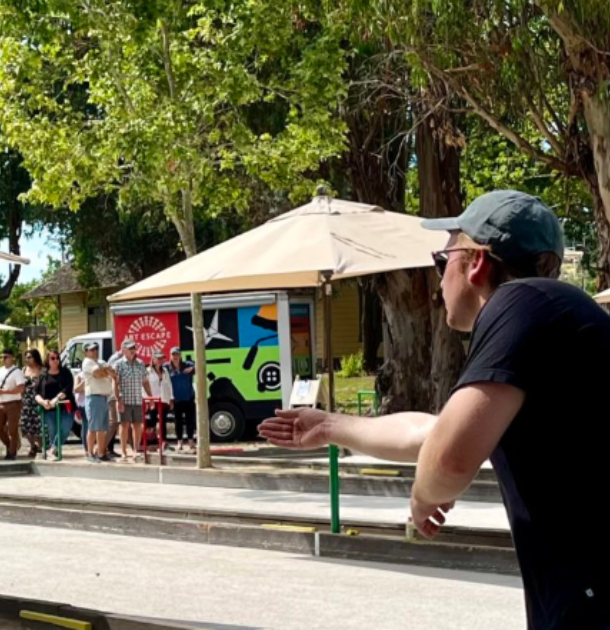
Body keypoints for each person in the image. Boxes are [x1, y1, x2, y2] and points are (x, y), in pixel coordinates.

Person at [259, 190, 606, 630]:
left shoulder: (521, 302)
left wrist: (424, 497)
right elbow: (434, 433)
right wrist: (329, 425)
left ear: (476, 262)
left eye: (442, 263)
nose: (438, 282)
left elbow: (448, 456)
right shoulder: (548, 320)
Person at [112, 340, 151, 461]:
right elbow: (115, 383)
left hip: (137, 399)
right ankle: (123, 451)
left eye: (134, 348)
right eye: (130, 348)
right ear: (123, 350)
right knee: (124, 425)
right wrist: (118, 399)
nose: (133, 350)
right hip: (125, 399)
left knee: (138, 425)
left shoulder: (140, 364)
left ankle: (135, 450)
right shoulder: (118, 364)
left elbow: (145, 382)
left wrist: (150, 396)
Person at [36, 349, 75, 459]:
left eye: (57, 358)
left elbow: (67, 389)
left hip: (65, 406)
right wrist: (43, 402)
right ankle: (55, 452)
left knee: (65, 428)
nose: (56, 360)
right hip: (49, 408)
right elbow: (37, 393)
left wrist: (56, 399)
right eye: (53, 358)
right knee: (53, 431)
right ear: (47, 360)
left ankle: (52, 449)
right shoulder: (43, 375)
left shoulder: (65, 372)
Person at [81, 342, 115, 462]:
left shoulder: (100, 362)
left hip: (103, 397)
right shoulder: (87, 362)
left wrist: (104, 371)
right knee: (93, 427)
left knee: (102, 428)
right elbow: (99, 374)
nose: (94, 351)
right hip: (94, 397)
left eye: (96, 349)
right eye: (91, 349)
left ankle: (101, 453)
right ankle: (90, 453)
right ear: (85, 352)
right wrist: (105, 372)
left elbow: (113, 372)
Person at [0, 349, 26, 460]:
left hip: (13, 403)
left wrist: (6, 392)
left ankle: (12, 453)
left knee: (12, 429)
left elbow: (20, 388)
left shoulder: (17, 372)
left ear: (12, 358)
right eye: (1, 357)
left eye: (6, 357)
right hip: (0, 402)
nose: (3, 359)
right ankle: (12, 445)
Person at [167, 348, 196, 453]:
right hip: (176, 399)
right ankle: (179, 442)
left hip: (188, 397)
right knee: (178, 422)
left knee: (190, 421)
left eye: (177, 354)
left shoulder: (187, 364)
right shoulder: (167, 367)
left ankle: (191, 442)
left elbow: (199, 366)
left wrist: (192, 369)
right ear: (170, 355)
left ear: (180, 355)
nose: (175, 356)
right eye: (173, 354)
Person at [145, 352, 174, 451]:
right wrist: (148, 400)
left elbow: (169, 385)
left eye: (162, 358)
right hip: (153, 400)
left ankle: (163, 442)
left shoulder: (165, 371)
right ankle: (152, 442)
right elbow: (145, 386)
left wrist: (171, 398)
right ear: (153, 359)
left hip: (163, 399)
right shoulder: (148, 371)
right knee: (152, 422)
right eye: (158, 358)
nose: (161, 360)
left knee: (163, 422)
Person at [20, 349, 44, 458]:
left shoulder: (42, 370)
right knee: (26, 426)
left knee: (39, 426)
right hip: (26, 401)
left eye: (30, 357)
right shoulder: (24, 370)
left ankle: (40, 446)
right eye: (26, 357)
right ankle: (32, 445)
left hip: (38, 400)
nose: (27, 360)